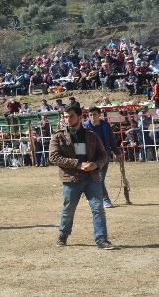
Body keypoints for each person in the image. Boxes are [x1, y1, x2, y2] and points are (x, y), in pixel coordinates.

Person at [49, 105, 117, 250]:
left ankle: (101, 239)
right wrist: (77, 164)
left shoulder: (92, 135)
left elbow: (103, 154)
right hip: (71, 178)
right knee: (69, 210)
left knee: (98, 208)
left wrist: (96, 164)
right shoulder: (58, 135)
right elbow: (54, 157)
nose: (67, 119)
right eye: (65, 117)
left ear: (80, 117)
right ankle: (63, 235)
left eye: (71, 116)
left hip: (91, 177)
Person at [83, 107, 123, 208]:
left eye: (94, 114)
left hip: (104, 155)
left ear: (99, 115)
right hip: (91, 156)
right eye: (90, 115)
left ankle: (99, 198)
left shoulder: (105, 125)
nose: (92, 117)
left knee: (100, 178)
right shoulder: (85, 126)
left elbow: (111, 140)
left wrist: (117, 153)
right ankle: (104, 199)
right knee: (95, 178)